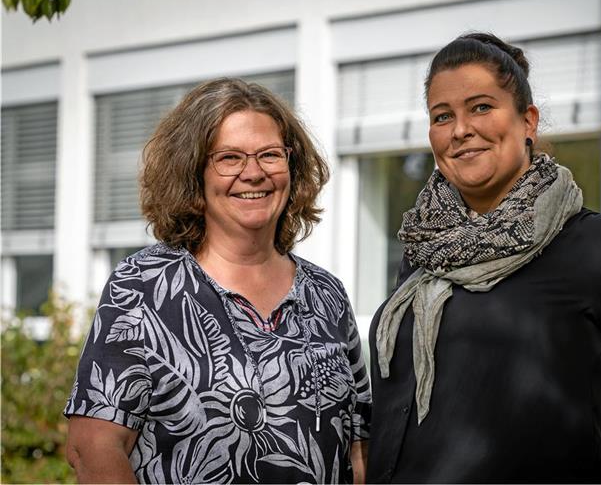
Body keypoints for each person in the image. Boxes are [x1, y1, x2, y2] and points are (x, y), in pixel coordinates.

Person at [367, 33, 601, 484]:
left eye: (481, 107)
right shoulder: (425, 249)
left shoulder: (596, 247)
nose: (461, 129)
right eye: (442, 116)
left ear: (528, 121)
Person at [64, 78, 371, 484]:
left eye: (270, 155)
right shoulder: (144, 287)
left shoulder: (326, 294)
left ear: (291, 168)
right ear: (194, 174)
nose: (254, 173)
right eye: (229, 158)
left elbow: (358, 448)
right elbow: (93, 447)